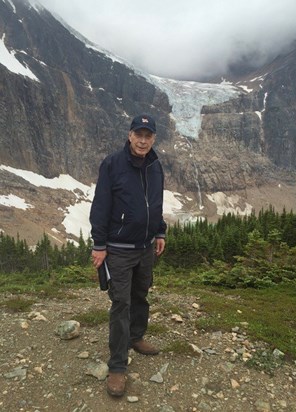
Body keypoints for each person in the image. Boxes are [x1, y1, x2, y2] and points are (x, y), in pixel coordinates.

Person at [89, 114, 166, 397]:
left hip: (146, 246)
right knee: (120, 304)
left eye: (148, 135)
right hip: (119, 250)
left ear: (154, 138)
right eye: (139, 134)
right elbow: (101, 205)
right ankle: (118, 367)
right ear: (130, 135)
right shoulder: (112, 164)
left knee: (141, 295)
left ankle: (136, 337)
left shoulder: (156, 165)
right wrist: (99, 245)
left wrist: (160, 232)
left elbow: (156, 202)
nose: (143, 140)